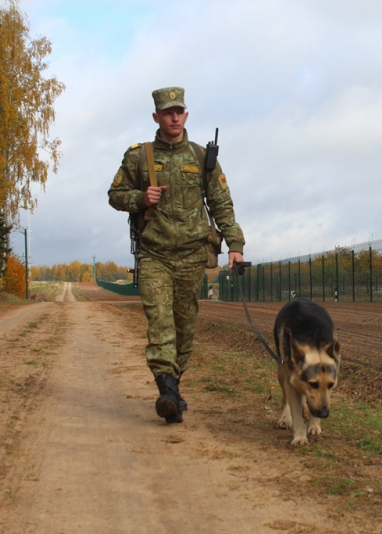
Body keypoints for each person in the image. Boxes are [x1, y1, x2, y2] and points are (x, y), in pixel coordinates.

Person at [108, 87, 245, 423]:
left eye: (179, 111)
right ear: (156, 116)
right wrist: (142, 197)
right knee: (160, 324)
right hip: (154, 255)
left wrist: (236, 246)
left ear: (185, 115)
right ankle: (166, 388)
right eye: (167, 112)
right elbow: (115, 194)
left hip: (191, 257)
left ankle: (173, 387)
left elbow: (221, 204)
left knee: (184, 331)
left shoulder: (201, 158)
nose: (173, 117)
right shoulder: (138, 156)